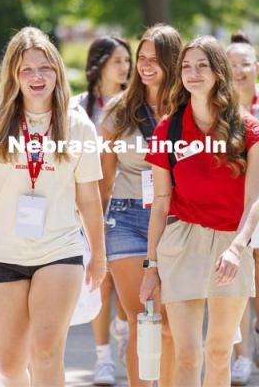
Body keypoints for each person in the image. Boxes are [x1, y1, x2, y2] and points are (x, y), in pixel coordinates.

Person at [0, 27, 107, 387]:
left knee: (47, 351)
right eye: (27, 70)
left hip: (59, 250)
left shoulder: (77, 124)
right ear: (14, 76)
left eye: (45, 68)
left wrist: (98, 254)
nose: (37, 77)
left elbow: (88, 196)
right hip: (0, 252)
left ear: (57, 72)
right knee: (8, 363)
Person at [140, 35, 259, 387]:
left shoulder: (247, 127)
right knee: (187, 352)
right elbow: (160, 203)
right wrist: (152, 266)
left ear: (218, 72)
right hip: (182, 242)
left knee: (219, 350)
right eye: (186, 67)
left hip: (230, 243)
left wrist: (238, 248)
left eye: (201, 66)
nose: (193, 73)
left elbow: (254, 199)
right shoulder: (168, 129)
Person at [99, 24, 182, 387]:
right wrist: (91, 235)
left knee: (167, 322)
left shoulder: (189, 108)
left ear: (172, 62)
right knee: (140, 317)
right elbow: (102, 181)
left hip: (178, 219)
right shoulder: (119, 110)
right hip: (126, 216)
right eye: (141, 58)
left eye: (155, 60)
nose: (146, 66)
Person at [73, 36, 131, 385]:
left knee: (126, 286)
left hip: (126, 203)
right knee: (100, 282)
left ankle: (123, 326)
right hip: (89, 204)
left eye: (128, 60)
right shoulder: (80, 106)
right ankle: (103, 358)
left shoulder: (134, 105)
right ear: (99, 65)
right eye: (118, 61)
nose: (125, 67)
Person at [226, 31, 259, 385]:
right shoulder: (219, 112)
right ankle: (242, 356)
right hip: (235, 207)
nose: (238, 71)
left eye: (244, 64)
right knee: (235, 282)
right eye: (231, 64)